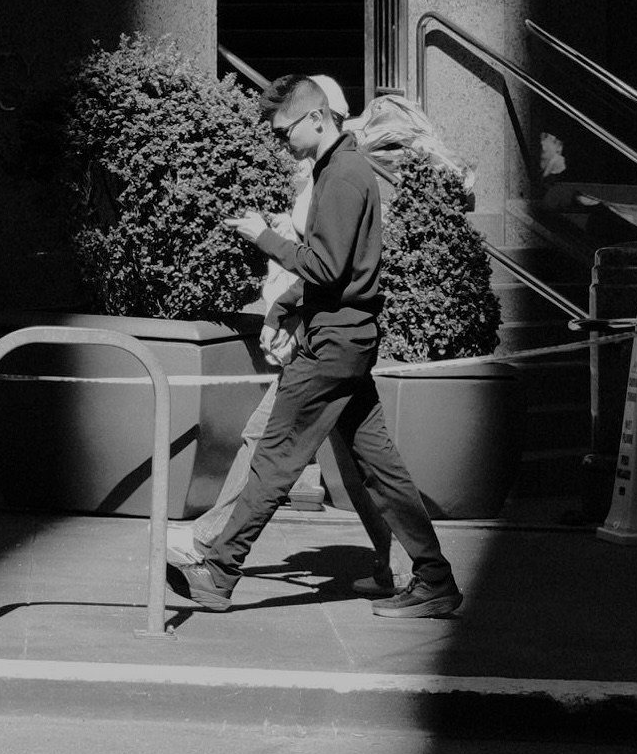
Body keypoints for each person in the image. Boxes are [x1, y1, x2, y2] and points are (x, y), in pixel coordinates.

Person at [174, 73, 462, 620]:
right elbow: (337, 269)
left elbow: (327, 267)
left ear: (316, 117)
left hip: (333, 343)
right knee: (380, 467)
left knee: (275, 458)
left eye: (285, 132)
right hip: (342, 339)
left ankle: (217, 568)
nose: (281, 142)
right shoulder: (341, 170)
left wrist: (264, 237)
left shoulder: (344, 175)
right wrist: (286, 305)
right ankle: (433, 579)